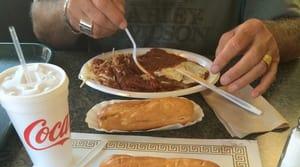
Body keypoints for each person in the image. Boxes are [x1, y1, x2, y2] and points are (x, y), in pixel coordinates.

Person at [31, 0, 300, 97]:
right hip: (99, 101)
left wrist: (273, 35)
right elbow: (41, 21)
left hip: (216, 100)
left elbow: (294, 27)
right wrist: (68, 12)